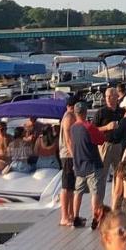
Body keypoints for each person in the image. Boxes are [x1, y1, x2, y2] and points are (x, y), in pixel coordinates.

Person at [71, 101, 108, 230]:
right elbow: (101, 140)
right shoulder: (89, 127)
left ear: (75, 113)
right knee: (95, 192)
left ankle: (75, 217)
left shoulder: (73, 128)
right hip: (92, 164)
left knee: (78, 192)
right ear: (86, 113)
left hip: (79, 165)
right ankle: (95, 219)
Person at [59, 94, 80, 227]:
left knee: (72, 186)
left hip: (71, 154)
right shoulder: (68, 117)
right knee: (66, 186)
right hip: (67, 155)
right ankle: (64, 216)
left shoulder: (72, 116)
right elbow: (67, 139)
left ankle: (71, 214)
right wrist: (74, 155)